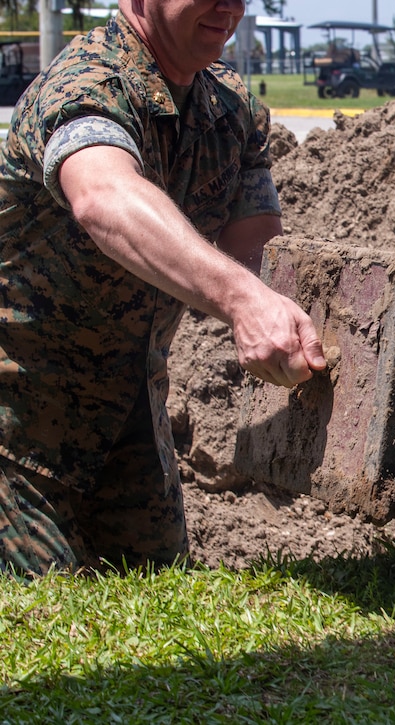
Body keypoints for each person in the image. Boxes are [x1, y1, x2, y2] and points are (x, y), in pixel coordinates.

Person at [0, 0, 327, 578]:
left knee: (157, 593)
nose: (229, 6)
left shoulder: (230, 107)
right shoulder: (87, 84)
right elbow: (102, 196)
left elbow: (256, 252)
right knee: (56, 605)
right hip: (20, 425)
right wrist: (241, 301)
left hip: (133, 419)